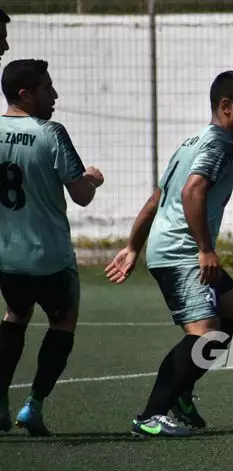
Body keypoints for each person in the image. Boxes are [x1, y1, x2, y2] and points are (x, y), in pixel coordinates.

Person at [105, 71, 233, 438]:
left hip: (175, 248)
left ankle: (182, 390)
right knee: (205, 334)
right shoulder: (219, 145)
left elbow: (155, 200)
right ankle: (150, 417)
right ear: (226, 106)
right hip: (182, 252)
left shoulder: (192, 141)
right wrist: (205, 249)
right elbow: (191, 192)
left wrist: (133, 246)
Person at [0, 59, 104, 436]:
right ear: (25, 94)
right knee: (63, 321)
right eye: (47, 88)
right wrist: (91, 179)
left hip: (6, 257)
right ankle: (34, 404)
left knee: (15, 315)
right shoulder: (51, 132)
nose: (55, 95)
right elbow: (81, 196)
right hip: (50, 257)